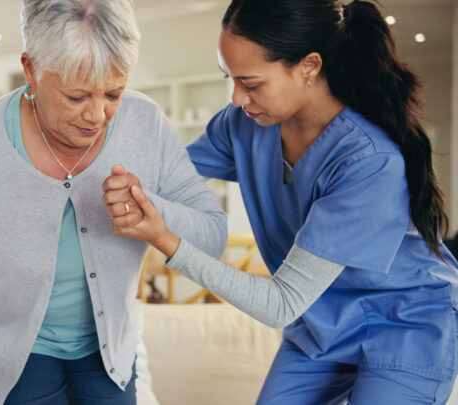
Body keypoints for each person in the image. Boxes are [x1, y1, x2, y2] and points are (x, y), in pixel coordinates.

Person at [104, 0, 458, 404]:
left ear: (309, 66)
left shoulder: (369, 162)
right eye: (230, 78)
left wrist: (166, 240)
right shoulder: (244, 124)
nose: (236, 98)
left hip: (404, 326)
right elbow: (166, 179)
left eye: (251, 84)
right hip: (320, 325)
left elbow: (281, 304)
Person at [0, 0, 227, 403]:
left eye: (113, 93)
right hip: (8, 355)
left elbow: (212, 235)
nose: (97, 115)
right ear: (31, 70)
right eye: (76, 96)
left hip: (109, 351)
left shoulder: (146, 125)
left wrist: (155, 215)